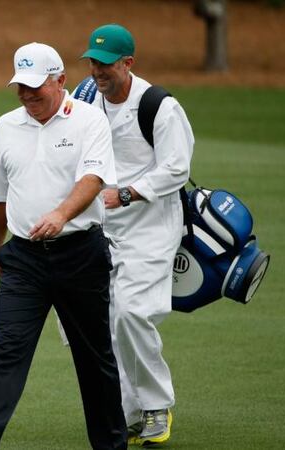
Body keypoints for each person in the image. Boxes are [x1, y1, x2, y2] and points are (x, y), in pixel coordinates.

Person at [0, 42, 126, 450]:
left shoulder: (89, 120)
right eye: (20, 86)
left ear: (60, 80)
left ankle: (111, 445)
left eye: (35, 86)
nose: (26, 95)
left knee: (93, 358)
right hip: (23, 258)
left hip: (80, 254)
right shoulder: (6, 126)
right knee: (5, 350)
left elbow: (94, 179)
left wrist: (61, 215)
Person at [79, 24, 194, 446]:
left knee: (130, 313)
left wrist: (125, 193)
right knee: (104, 324)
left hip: (151, 226)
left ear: (128, 63)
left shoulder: (158, 105)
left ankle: (157, 405)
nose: (96, 70)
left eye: (105, 64)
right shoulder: (87, 99)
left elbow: (177, 167)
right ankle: (126, 411)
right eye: (92, 61)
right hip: (100, 227)